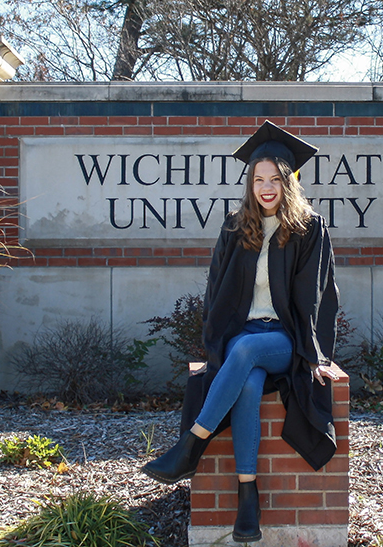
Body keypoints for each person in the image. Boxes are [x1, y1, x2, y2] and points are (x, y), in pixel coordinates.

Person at [141, 121, 340, 543]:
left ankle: (191, 445)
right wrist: (217, 337)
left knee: (248, 349)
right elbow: (217, 289)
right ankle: (248, 498)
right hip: (243, 336)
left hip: (285, 339)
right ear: (249, 183)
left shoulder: (309, 228)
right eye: (257, 179)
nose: (266, 188)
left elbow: (317, 297)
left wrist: (316, 356)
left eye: (274, 179)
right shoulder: (236, 226)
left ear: (289, 182)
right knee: (247, 383)